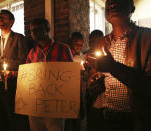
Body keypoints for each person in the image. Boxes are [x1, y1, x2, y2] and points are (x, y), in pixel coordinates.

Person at [87, 0, 151, 131]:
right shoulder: (102, 42)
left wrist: (114, 67)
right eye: (108, 2)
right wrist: (92, 85)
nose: (112, 4)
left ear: (131, 8)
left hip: (133, 122)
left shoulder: (147, 38)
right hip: (102, 119)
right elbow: (94, 77)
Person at [26, 18, 73, 131]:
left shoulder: (62, 48)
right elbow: (27, 76)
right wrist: (11, 74)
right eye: (32, 30)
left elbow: (71, 75)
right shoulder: (32, 52)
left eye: (38, 29)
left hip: (56, 105)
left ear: (47, 30)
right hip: (36, 104)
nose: (34, 33)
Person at [0, 9, 28, 131]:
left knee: (13, 118)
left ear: (11, 21)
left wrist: (0, 59)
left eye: (3, 17)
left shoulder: (18, 38)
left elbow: (23, 62)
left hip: (13, 85)